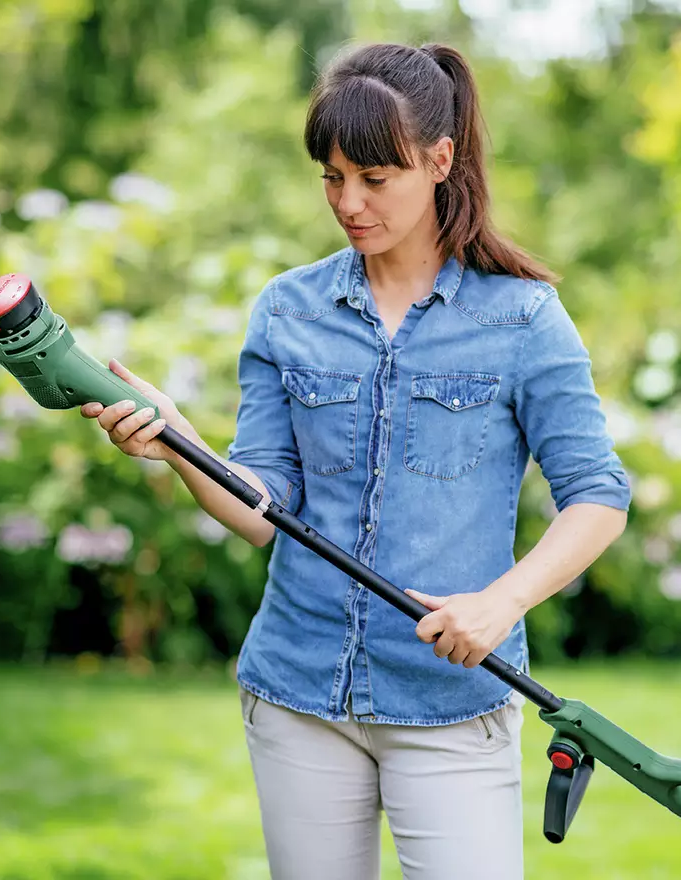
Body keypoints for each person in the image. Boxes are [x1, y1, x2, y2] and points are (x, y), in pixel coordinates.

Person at [80, 40, 632, 880]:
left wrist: (501, 603)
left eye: (375, 178)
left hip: (450, 701)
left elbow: (598, 496)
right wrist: (177, 441)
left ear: (440, 160)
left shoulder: (522, 319)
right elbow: (263, 511)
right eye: (332, 177)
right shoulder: (289, 310)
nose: (349, 202)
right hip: (299, 691)